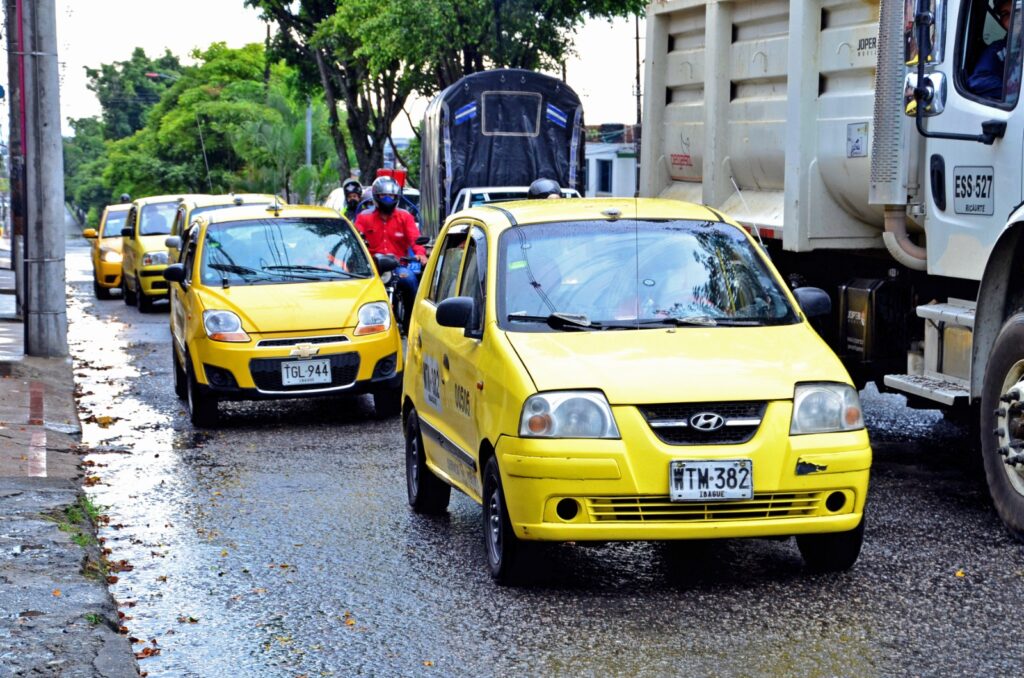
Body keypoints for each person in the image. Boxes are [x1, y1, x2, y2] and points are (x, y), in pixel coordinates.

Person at [354, 176, 427, 264]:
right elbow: (355, 241)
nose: (387, 199)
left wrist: (420, 254)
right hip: (372, 267)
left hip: (399, 266)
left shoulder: (405, 217)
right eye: (383, 195)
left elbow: (415, 239)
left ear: (396, 196)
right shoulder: (364, 217)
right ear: (376, 196)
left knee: (410, 278)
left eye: (391, 195)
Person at [967, 0, 1013, 99]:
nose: (1012, 19)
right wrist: (1014, 91)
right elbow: (977, 81)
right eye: (1005, 14)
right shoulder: (998, 50)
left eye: (1018, 11)